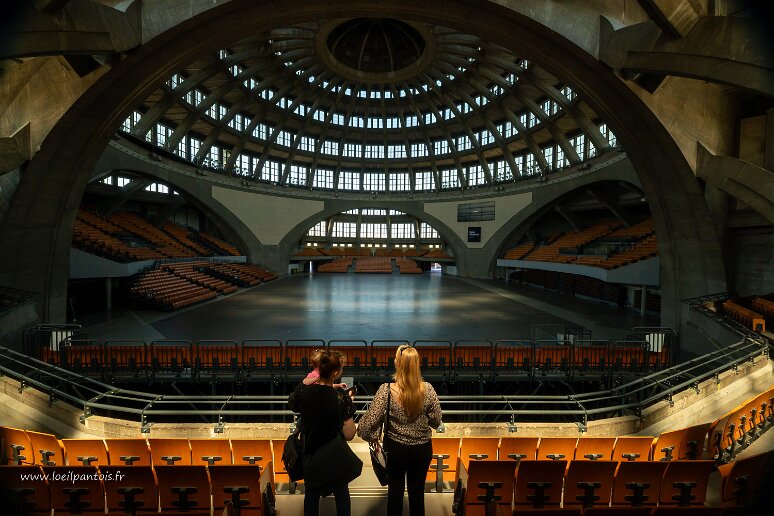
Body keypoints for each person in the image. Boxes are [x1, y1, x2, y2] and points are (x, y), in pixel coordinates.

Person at [357, 345, 443, 516]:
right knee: (417, 495)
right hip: (422, 449)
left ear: (398, 364)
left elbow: (366, 426)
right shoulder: (428, 390)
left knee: (395, 495)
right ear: (416, 364)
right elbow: (436, 421)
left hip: (395, 450)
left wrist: (373, 438)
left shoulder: (386, 390)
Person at [289, 350, 357, 516]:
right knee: (342, 496)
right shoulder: (340, 398)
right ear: (335, 373)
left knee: (311, 498)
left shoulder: (304, 393)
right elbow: (349, 435)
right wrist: (348, 405)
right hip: (334, 457)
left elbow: (293, 401)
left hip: (310, 456)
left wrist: (303, 383)